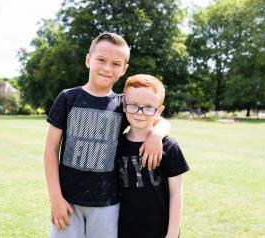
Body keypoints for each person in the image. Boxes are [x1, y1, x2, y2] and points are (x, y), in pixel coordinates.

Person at [44, 33, 171, 238]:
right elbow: (51, 149)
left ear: (123, 69)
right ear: (88, 60)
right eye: (101, 59)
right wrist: (55, 198)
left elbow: (161, 120)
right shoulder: (68, 98)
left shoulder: (123, 104)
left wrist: (157, 135)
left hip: (107, 204)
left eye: (115, 63)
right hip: (67, 202)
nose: (107, 68)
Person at [117, 74, 189, 238]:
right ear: (123, 105)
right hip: (124, 230)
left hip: (160, 230)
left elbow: (176, 194)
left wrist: (172, 234)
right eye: (133, 105)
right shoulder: (118, 145)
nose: (140, 112)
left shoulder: (169, 147)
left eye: (149, 107)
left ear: (159, 111)